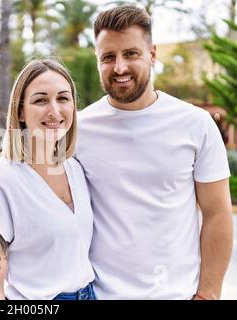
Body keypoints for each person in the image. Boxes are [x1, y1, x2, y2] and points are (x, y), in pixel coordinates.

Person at [75, 5, 233, 300]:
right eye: (108, 57)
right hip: (97, 294)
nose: (119, 67)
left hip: (177, 294)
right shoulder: (79, 129)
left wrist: (208, 293)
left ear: (152, 54)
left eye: (131, 53)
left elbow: (217, 214)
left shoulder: (195, 124)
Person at [0, 59, 96, 300]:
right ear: (20, 111)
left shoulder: (76, 169)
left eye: (63, 98)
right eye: (40, 100)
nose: (55, 111)